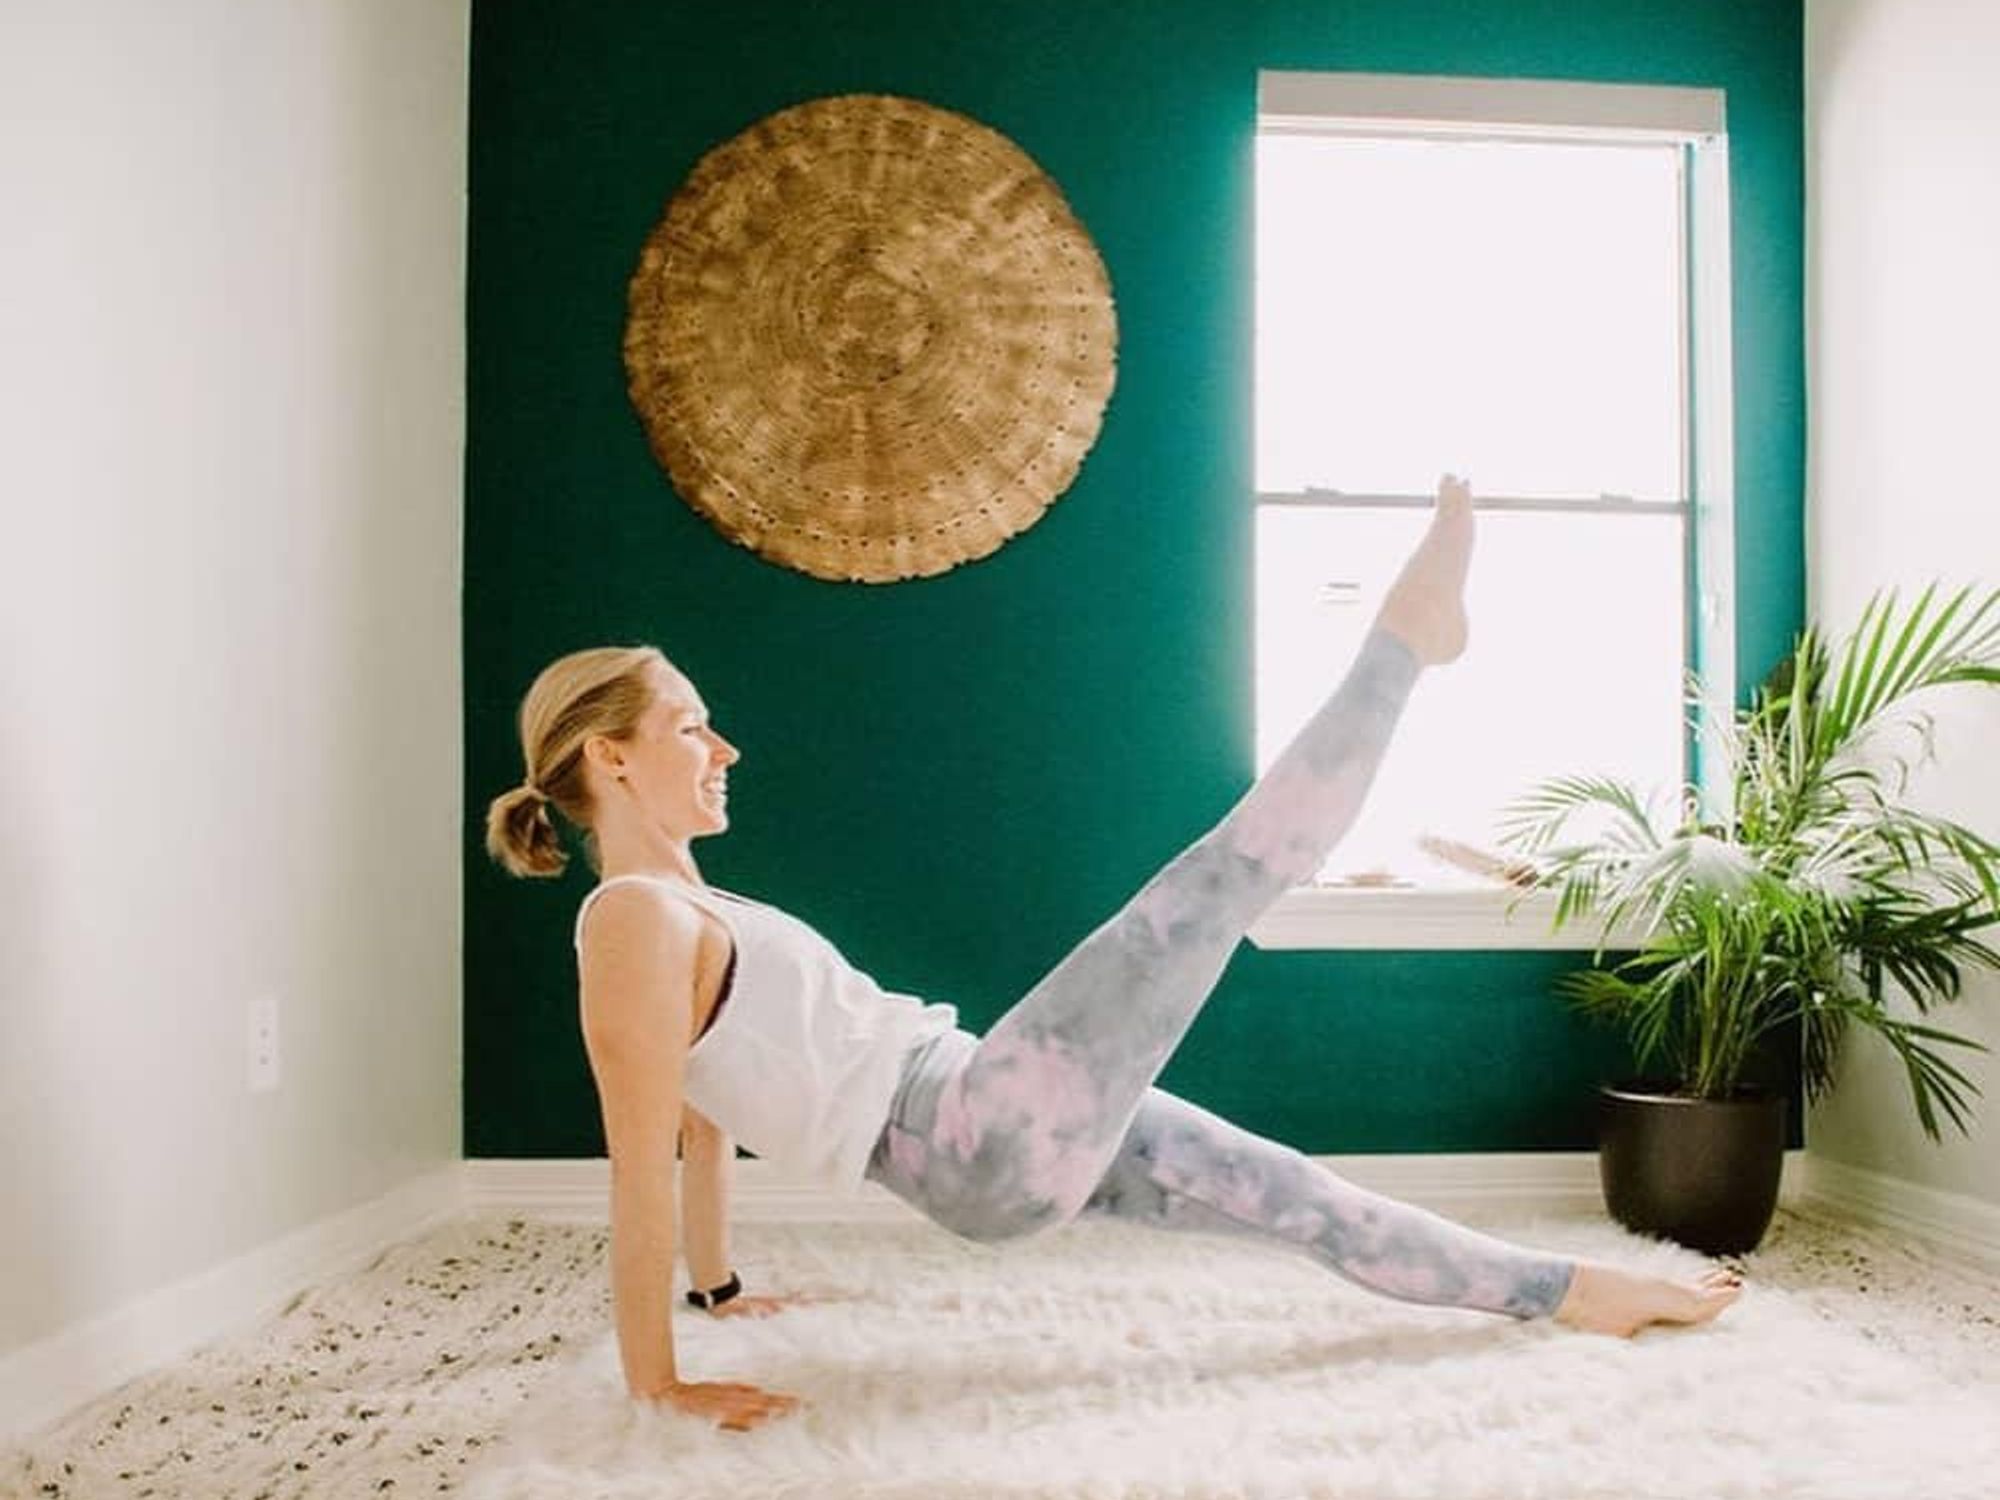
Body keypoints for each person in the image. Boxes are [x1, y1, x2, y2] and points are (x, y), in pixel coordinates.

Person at [484, 476, 1741, 1433]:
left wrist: (718, 1294)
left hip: (987, 1134)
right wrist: (660, 1383)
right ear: (610, 757)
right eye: (692, 727)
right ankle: (1402, 643)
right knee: (1216, 881)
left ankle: (1569, 1291)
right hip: (972, 1127)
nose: (725, 749)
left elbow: (705, 1129)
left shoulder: (690, 910)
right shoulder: (632, 923)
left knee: (1295, 1195)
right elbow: (640, 1159)